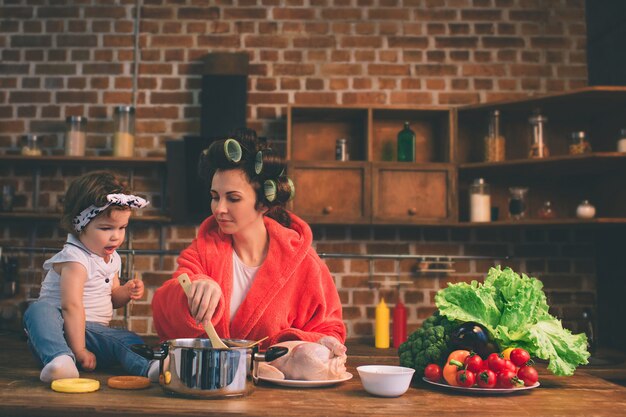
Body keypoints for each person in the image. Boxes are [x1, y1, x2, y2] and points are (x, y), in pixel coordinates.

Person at [152, 128, 346, 355]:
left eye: (233, 198)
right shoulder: (203, 252)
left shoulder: (304, 264)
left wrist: (293, 344)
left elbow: (330, 330)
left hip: (279, 386)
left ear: (263, 204)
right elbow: (163, 315)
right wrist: (192, 290)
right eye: (215, 197)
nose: (219, 209)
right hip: (213, 381)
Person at [23, 171, 159, 383]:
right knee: (38, 310)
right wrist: (79, 350)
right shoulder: (75, 260)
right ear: (80, 226)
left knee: (126, 339)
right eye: (106, 228)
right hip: (59, 334)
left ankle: (151, 367)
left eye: (122, 228)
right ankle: (60, 360)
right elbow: (71, 306)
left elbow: (112, 298)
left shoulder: (111, 257)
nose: (116, 236)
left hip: (95, 338)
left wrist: (126, 291)